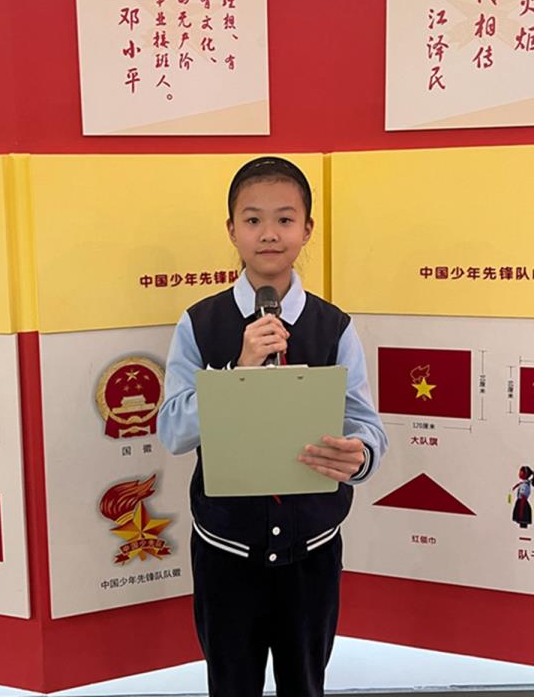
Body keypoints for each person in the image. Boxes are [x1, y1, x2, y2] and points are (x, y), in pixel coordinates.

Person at [157, 156, 387, 697]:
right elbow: (173, 430)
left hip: (313, 551)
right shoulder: (200, 323)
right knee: (231, 685)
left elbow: (365, 424)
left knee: (305, 684)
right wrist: (237, 371)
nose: (269, 234)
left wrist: (360, 454)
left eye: (285, 219)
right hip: (226, 551)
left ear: (307, 229)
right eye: (253, 219)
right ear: (231, 230)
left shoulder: (334, 326)